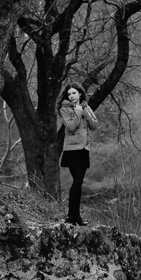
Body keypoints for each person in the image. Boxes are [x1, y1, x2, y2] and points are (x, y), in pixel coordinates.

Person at [58, 82, 99, 226]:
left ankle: (75, 216)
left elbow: (94, 125)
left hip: (84, 149)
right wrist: (77, 111)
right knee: (77, 181)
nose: (71, 96)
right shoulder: (65, 109)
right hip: (72, 149)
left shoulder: (85, 107)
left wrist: (85, 110)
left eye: (74, 93)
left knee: (79, 182)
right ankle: (72, 217)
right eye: (69, 94)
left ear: (80, 94)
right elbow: (70, 126)